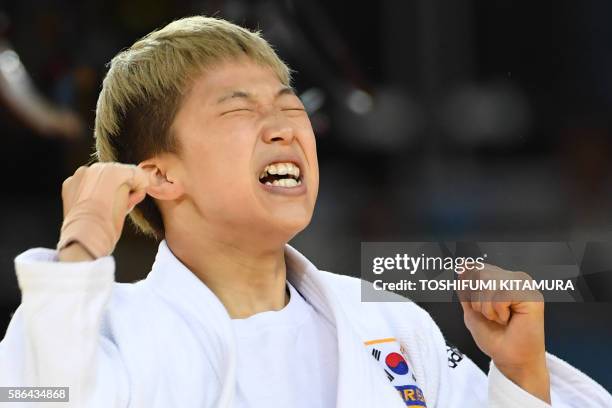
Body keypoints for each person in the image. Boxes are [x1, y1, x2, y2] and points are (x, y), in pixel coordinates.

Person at [0, 16, 610, 408]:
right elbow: (39, 397)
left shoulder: (392, 323)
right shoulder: (113, 329)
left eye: (291, 108)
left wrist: (521, 369)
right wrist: (81, 241)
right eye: (239, 110)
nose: (284, 129)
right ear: (159, 174)